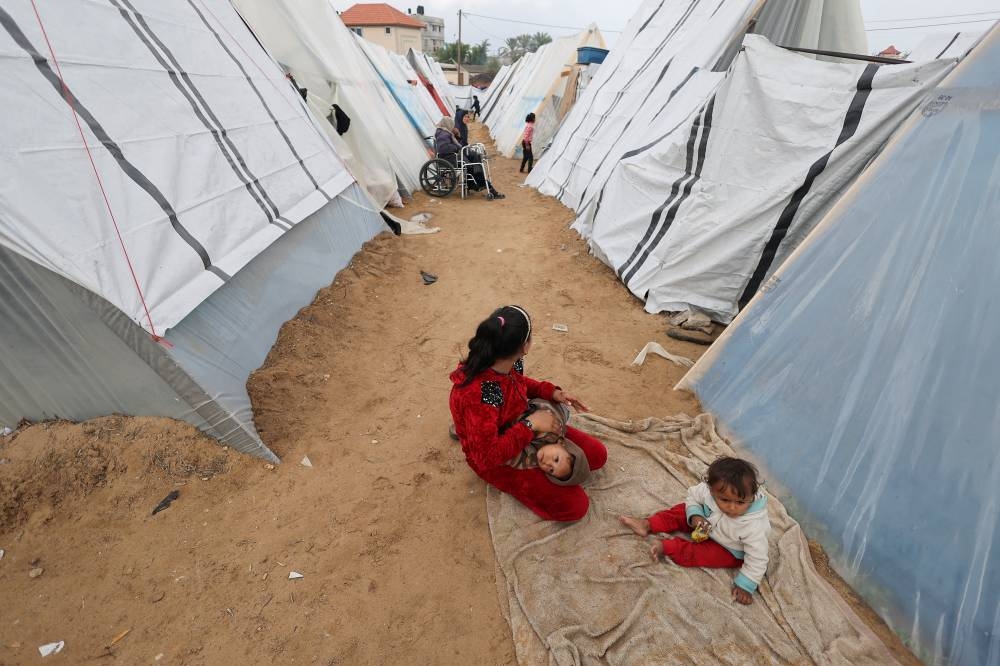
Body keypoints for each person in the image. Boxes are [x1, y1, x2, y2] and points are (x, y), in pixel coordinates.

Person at [449, 305, 607, 521]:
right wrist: (531, 424)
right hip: (500, 455)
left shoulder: (505, 361)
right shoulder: (486, 391)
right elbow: (487, 457)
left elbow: (519, 384)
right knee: (576, 506)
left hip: (523, 422)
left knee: (597, 455)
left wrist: (552, 392)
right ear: (525, 346)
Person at [619, 457, 770, 605]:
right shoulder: (708, 490)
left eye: (740, 502)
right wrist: (696, 516)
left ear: (752, 496)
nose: (732, 507)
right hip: (704, 523)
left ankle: (668, 548)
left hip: (729, 548)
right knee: (680, 511)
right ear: (711, 490)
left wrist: (746, 585)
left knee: (702, 554)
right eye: (724, 500)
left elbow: (758, 558)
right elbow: (692, 497)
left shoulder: (754, 526)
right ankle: (648, 524)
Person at [433, 117, 504, 200]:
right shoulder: (443, 134)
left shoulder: (446, 133)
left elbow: (458, 144)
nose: (452, 127)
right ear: (447, 124)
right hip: (450, 159)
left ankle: (476, 183)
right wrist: (457, 147)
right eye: (451, 125)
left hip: (453, 157)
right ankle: (485, 186)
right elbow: (443, 148)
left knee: (475, 157)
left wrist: (457, 136)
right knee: (473, 165)